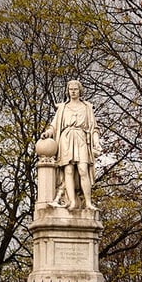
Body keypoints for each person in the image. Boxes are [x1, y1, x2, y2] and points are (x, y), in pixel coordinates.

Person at [41, 80, 101, 210]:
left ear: (80, 91)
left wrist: (96, 143)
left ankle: (88, 203)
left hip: (81, 138)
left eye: (76, 89)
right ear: (67, 91)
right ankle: (72, 202)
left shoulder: (87, 107)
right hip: (66, 139)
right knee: (68, 170)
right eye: (71, 89)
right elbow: (54, 126)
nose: (73, 91)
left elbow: (94, 128)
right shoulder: (62, 108)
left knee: (83, 170)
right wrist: (48, 133)